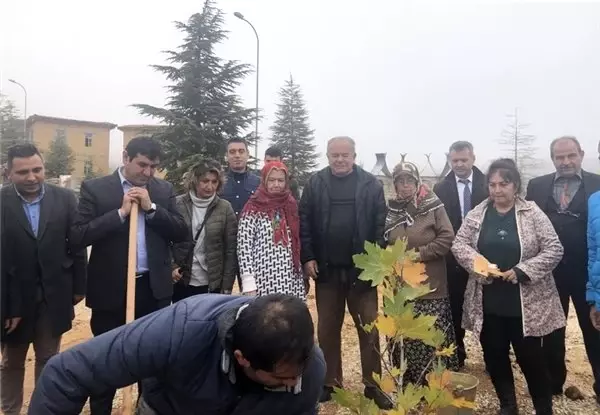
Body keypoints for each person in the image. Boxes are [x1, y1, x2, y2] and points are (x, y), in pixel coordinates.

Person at [28, 294, 325, 415]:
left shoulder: (308, 370)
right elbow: (66, 373)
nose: (292, 384)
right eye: (281, 378)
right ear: (241, 358)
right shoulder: (180, 330)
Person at [71, 136, 188, 414]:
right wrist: (120, 213)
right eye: (142, 165)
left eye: (153, 167)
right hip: (110, 292)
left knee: (152, 363)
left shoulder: (162, 190)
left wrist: (152, 209)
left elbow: (181, 231)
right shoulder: (96, 189)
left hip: (153, 290)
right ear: (126, 157)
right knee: (106, 360)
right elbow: (78, 236)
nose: (147, 173)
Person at [452, 158, 565, 415]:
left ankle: (543, 407)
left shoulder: (532, 213)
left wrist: (522, 270)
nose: (497, 190)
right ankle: (508, 404)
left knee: (531, 360)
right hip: (488, 300)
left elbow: (554, 249)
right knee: (494, 354)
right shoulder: (478, 213)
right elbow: (459, 245)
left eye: (504, 184)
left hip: (526, 305)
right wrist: (481, 266)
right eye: (492, 184)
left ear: (516, 185)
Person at [299, 136, 391, 409]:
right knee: (327, 328)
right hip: (326, 270)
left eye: (345, 155)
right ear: (327, 156)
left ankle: (373, 386)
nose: (339, 159)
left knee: (370, 328)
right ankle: (329, 383)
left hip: (361, 273)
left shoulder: (370, 185)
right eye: (334, 155)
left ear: (354, 155)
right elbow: (305, 222)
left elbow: (379, 224)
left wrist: (375, 263)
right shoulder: (315, 183)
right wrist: (308, 256)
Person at [0, 144, 87, 415]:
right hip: (14, 297)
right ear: (8, 173)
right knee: (11, 361)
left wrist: (78, 287)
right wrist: (5, 306)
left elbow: (77, 245)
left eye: (37, 170)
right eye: (23, 172)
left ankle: (41, 409)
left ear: (44, 168)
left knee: (49, 359)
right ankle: (10, 409)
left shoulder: (65, 199)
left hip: (55, 294)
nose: (31, 177)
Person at [526, 136, 600, 401]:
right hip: (549, 275)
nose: (566, 161)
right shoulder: (536, 186)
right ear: (552, 158)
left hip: (588, 273)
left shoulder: (597, 184)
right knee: (552, 330)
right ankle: (552, 382)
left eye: (571, 156)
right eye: (560, 157)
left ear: (581, 154)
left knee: (595, 329)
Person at [384, 160, 458, 385]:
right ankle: (407, 384)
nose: (405, 185)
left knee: (429, 336)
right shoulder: (390, 210)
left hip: (430, 286)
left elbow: (447, 238)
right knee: (404, 336)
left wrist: (417, 254)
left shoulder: (433, 205)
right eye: (400, 181)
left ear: (417, 182)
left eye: (409, 181)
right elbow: (383, 240)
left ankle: (435, 385)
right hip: (399, 287)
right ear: (394, 184)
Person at [433, 140, 488, 368]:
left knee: (486, 309)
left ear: (473, 158)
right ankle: (456, 355)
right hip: (452, 259)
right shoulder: (441, 189)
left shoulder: (488, 185)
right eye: (455, 160)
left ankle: (492, 357)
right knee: (453, 308)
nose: (459, 164)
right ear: (449, 160)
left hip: (484, 257)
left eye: (464, 160)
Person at [238, 161, 306, 300]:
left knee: (290, 317)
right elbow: (244, 246)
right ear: (264, 180)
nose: (276, 184)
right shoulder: (253, 207)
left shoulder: (291, 204)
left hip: (291, 276)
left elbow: (297, 239)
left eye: (280, 180)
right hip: (263, 277)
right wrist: (248, 279)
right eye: (272, 180)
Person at [171, 160, 237, 300]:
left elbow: (230, 251)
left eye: (214, 182)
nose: (210, 186)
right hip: (182, 280)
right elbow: (166, 240)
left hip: (212, 283)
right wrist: (172, 266)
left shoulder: (225, 208)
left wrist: (226, 287)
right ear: (195, 181)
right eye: (205, 181)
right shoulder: (177, 204)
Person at [222, 138, 261, 217]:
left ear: (247, 155)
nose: (237, 155)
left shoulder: (259, 183)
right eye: (232, 152)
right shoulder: (218, 182)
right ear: (226, 156)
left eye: (241, 151)